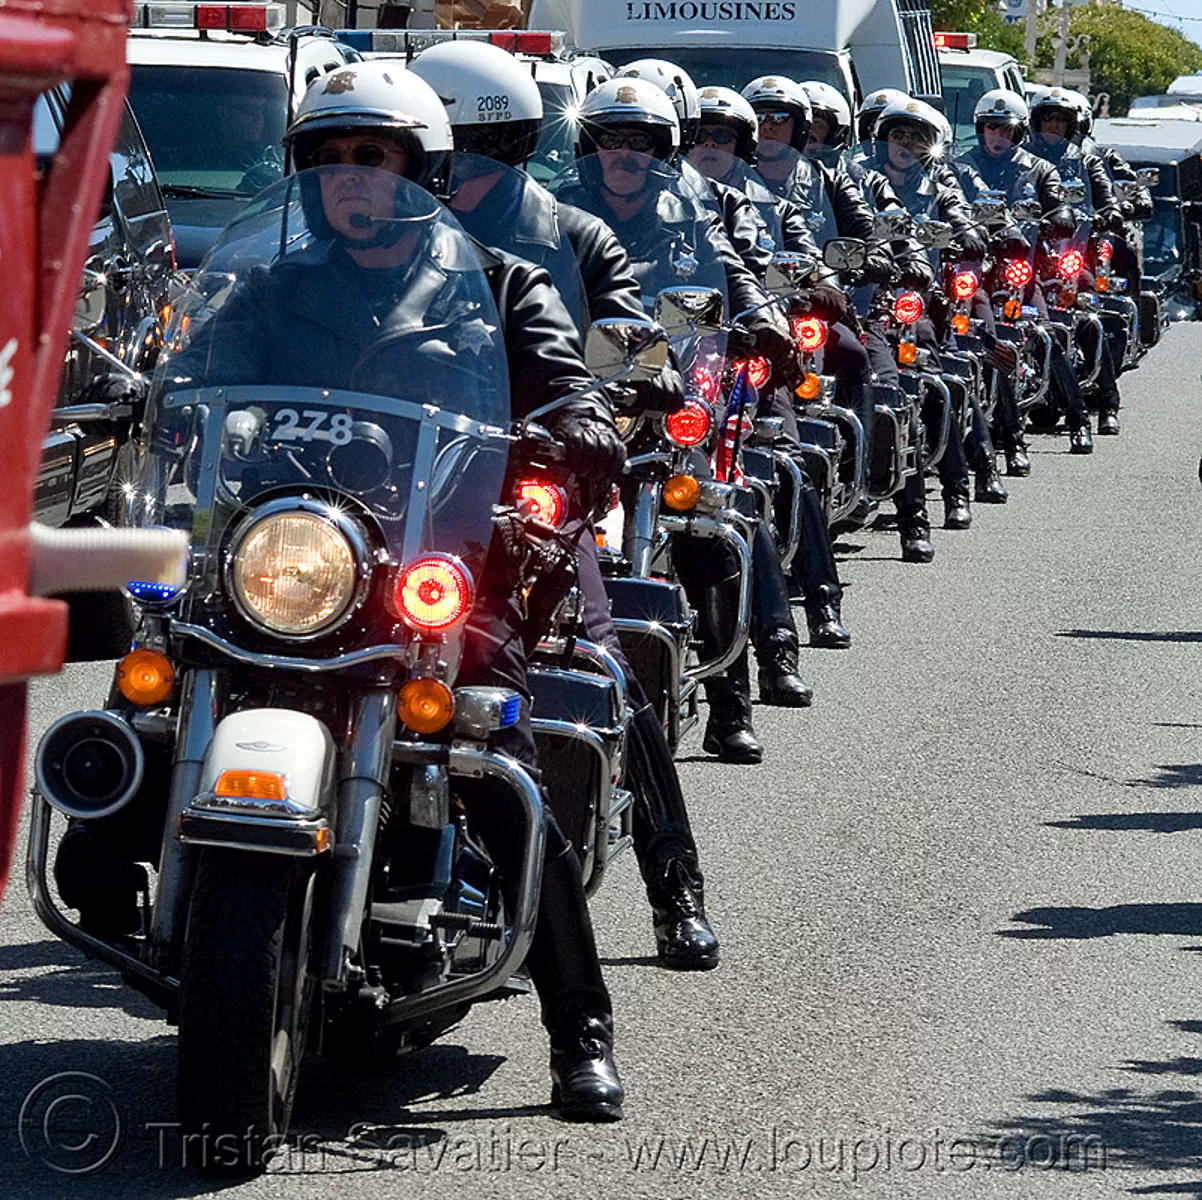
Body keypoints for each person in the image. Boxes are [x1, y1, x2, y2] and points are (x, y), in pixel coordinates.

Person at [172, 64, 626, 1121]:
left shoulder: (504, 286)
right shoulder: (268, 287)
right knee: (158, 672)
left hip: (442, 562)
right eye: (328, 160)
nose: (348, 178)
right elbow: (195, 379)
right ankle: (119, 853)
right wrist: (155, 407)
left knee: (495, 761)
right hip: (289, 558)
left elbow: (565, 384)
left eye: (370, 157)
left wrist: (580, 428)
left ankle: (580, 1028)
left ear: (421, 173)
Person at [409, 38, 721, 969]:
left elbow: (632, 338)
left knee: (599, 653)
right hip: (402, 482)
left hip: (528, 482)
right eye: (427, 152)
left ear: (509, 149)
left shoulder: (576, 238)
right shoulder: (385, 236)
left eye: (464, 153)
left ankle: (675, 884)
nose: (444, 171)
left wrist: (638, 380)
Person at [554, 75, 793, 763]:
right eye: (610, 140)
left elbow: (731, 270)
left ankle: (729, 702)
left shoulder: (693, 212)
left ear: (664, 150)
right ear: (588, 147)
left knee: (702, 527)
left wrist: (761, 318)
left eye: (640, 142)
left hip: (670, 392)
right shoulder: (557, 213)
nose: (624, 154)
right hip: (582, 394)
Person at [958, 89, 1095, 453]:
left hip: (1020, 268)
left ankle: (1078, 420)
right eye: (991, 127)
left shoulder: (1039, 168)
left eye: (1006, 129)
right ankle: (1009, 438)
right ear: (980, 129)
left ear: (1019, 131)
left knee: (1046, 333)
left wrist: (1061, 216)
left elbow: (1059, 202)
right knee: (987, 345)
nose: (997, 135)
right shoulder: (962, 167)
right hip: (975, 272)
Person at [1026, 87, 1124, 435]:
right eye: (1047, 119)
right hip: (1031, 254)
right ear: (1036, 123)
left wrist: (1110, 211)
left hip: (1071, 251)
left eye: (1061, 120)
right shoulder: (1023, 159)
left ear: (1072, 125)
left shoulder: (1085, 159)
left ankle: (1108, 403)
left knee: (1087, 313)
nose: (1053, 125)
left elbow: (1104, 193)